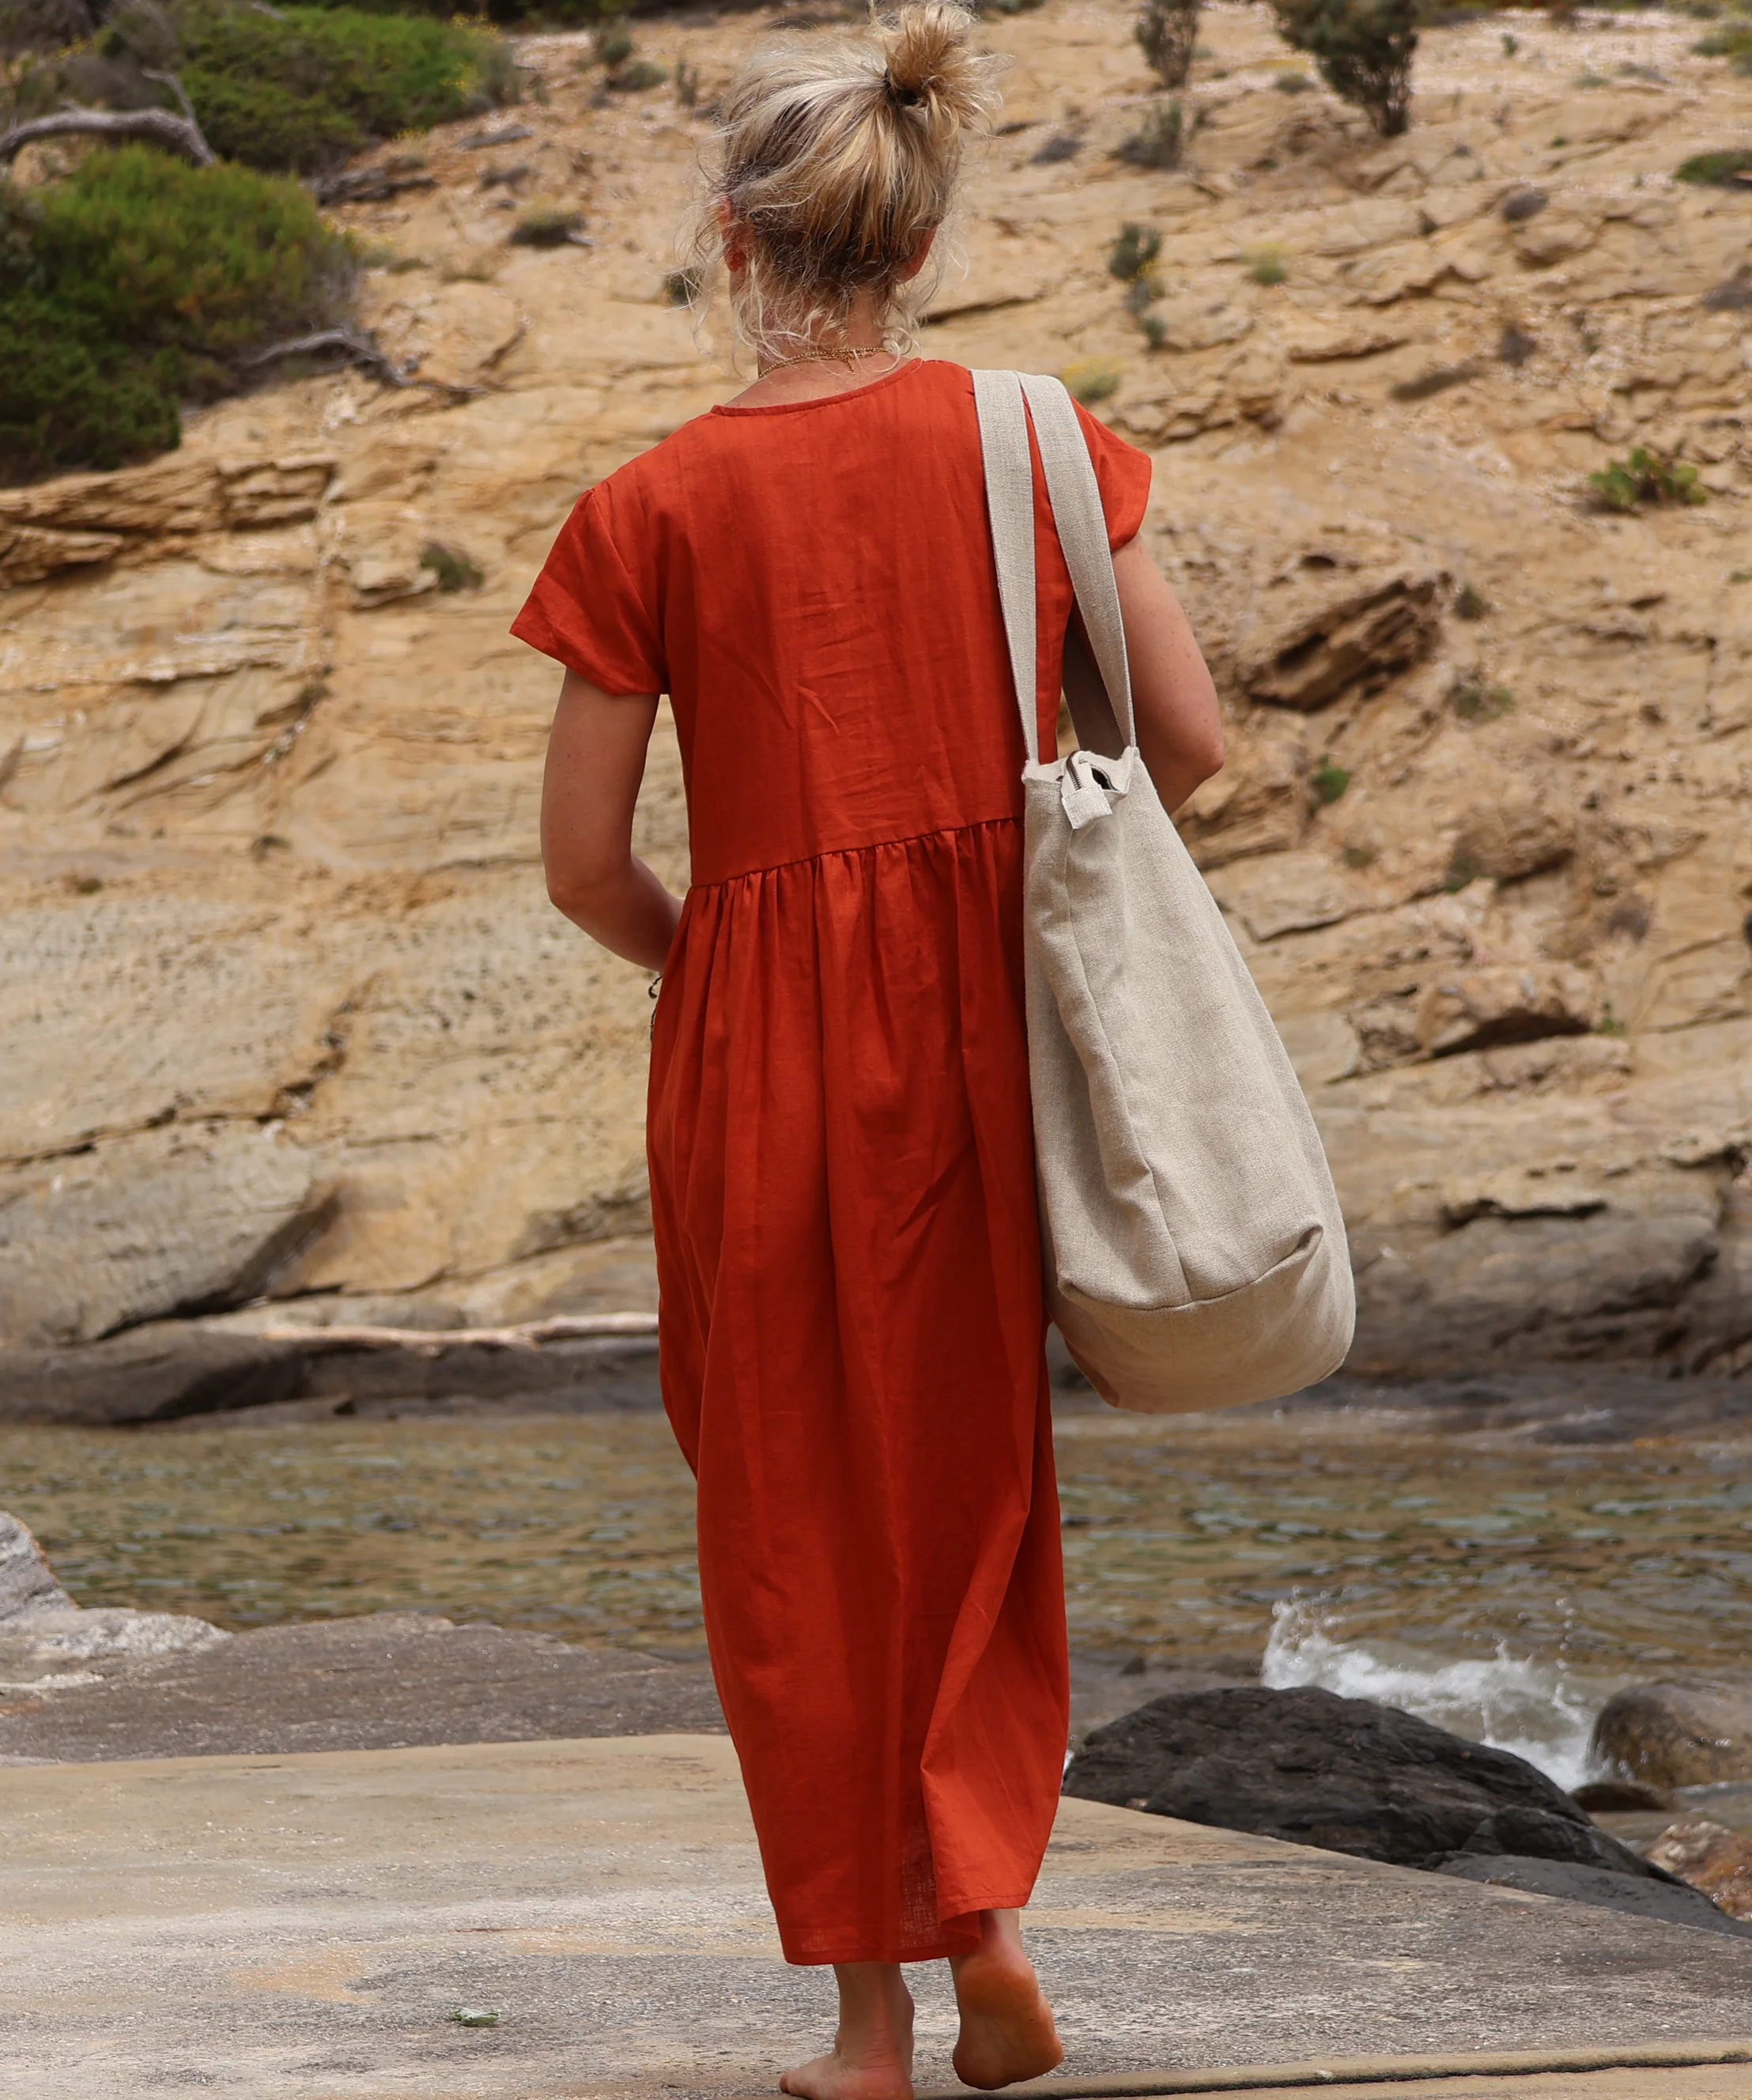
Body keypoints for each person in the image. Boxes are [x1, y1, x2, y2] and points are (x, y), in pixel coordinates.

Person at [515, 6, 1224, 2093]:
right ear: (916, 247)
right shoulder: (1037, 445)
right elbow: (1187, 743)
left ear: (733, 243)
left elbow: (582, 865)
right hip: (987, 1037)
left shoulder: (646, 507)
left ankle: (867, 2025)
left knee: (790, 1519)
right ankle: (984, 1905)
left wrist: (720, 967)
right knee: (972, 1491)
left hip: (755, 1055)